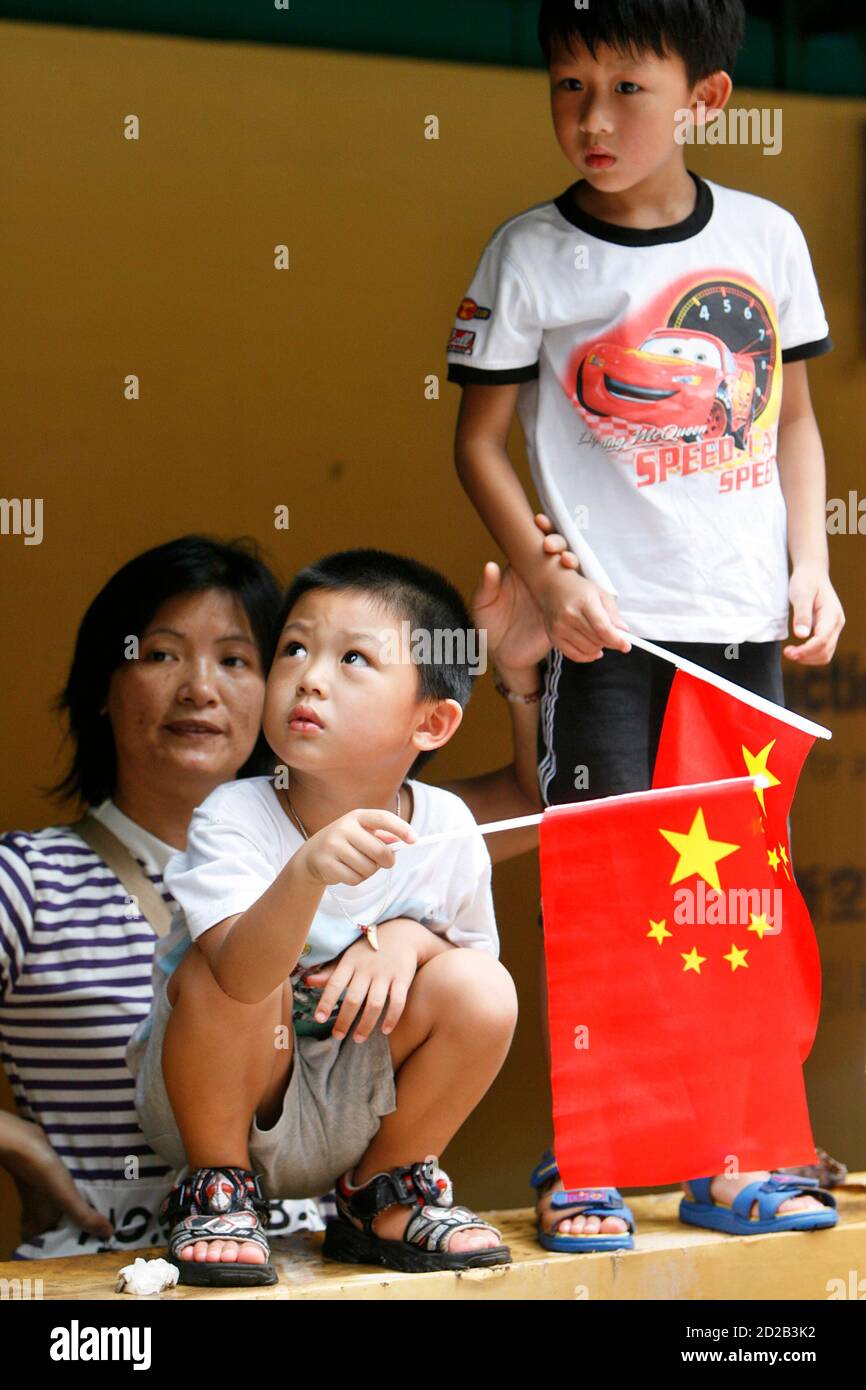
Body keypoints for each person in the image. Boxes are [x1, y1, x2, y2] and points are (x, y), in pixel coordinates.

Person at [447, 0, 844, 1247]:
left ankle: (730, 1155)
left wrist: (813, 566)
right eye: (568, 87)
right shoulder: (527, 255)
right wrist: (545, 577)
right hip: (605, 637)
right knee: (611, 892)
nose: (592, 118)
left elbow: (789, 419)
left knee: (729, 900)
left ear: (705, 100)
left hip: (743, 632)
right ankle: (594, 1163)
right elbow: (476, 440)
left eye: (626, 88)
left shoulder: (767, 236)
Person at [1, 534, 549, 1260]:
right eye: (160, 653)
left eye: (236, 660)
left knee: (478, 984)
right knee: (231, 967)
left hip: (300, 1257)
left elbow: (542, 806)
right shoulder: (30, 877)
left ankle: (385, 1193)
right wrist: (14, 1144)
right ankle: (219, 1188)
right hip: (105, 1267)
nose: (199, 687)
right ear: (102, 683)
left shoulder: (414, 822)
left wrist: (516, 671)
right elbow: (237, 968)